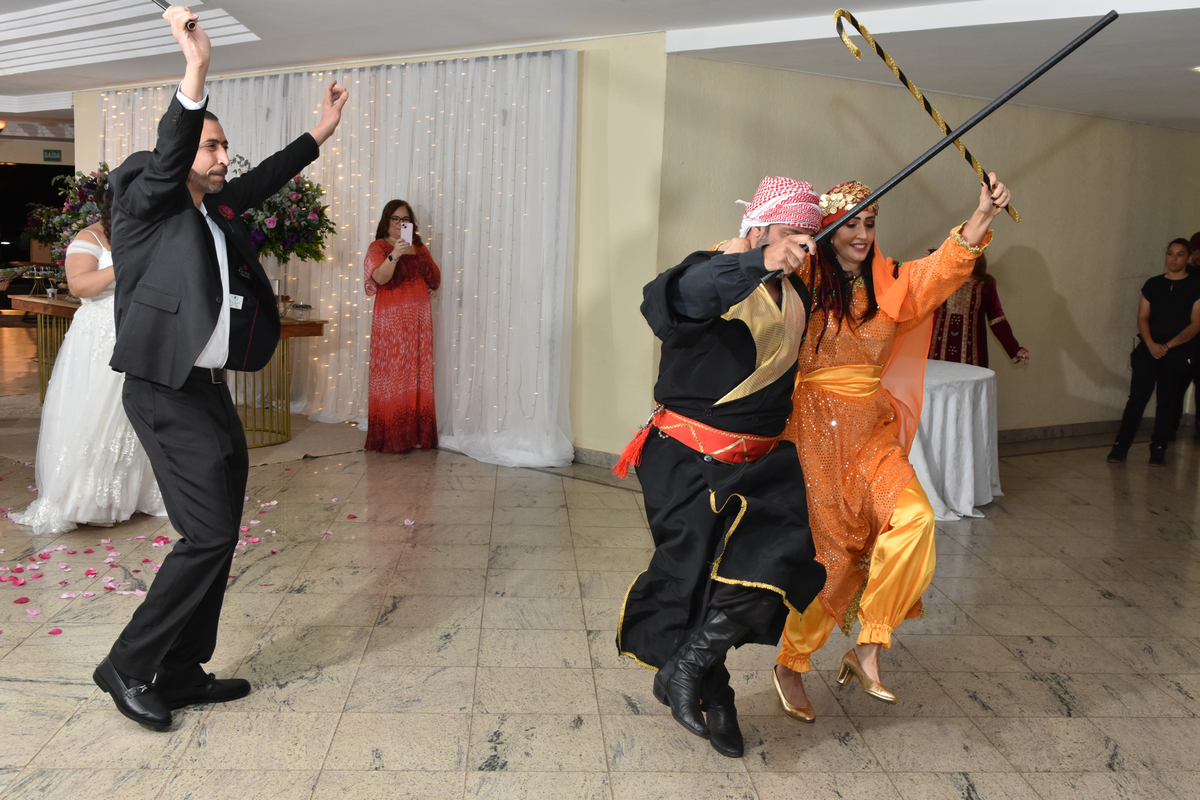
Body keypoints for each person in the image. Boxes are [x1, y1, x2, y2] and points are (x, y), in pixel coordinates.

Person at [94, 5, 347, 730]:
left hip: (208, 391)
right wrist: (195, 71)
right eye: (210, 144)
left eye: (224, 146)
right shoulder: (146, 206)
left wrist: (319, 135)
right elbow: (167, 157)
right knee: (205, 533)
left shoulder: (213, 212)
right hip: (162, 389)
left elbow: (263, 178)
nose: (221, 155)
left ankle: (180, 670)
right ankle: (127, 664)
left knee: (222, 532)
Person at [771, 177, 1011, 720]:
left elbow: (945, 268)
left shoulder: (893, 284)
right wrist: (774, 244)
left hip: (871, 434)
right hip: (813, 432)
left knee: (916, 519)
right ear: (828, 229)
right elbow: (755, 273)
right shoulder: (805, 278)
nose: (862, 234)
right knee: (832, 557)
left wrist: (982, 215)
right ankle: (791, 662)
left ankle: (869, 644)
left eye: (870, 223)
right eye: (850, 224)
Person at [614, 177, 828, 758]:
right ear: (758, 227)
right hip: (688, 460)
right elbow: (678, 298)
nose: (799, 244)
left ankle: (685, 668)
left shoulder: (796, 293)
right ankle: (718, 694)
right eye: (788, 232)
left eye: (807, 236)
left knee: (771, 570)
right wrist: (756, 261)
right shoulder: (713, 268)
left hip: (762, 464)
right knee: (695, 585)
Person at [10, 187, 167, 535]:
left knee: (132, 417)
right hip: (99, 337)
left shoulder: (148, 233)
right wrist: (127, 263)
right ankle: (89, 500)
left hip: (140, 331)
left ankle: (134, 494)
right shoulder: (90, 236)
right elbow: (79, 286)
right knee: (97, 414)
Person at [1107, 238, 1200, 466]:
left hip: (1177, 353)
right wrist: (1150, 344)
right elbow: (1142, 317)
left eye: (1179, 254)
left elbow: (1196, 323)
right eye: (1170, 253)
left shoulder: (1195, 285)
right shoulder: (1153, 284)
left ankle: (1158, 448)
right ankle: (1121, 446)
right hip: (1149, 349)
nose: (1173, 259)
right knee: (1136, 399)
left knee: (1167, 402)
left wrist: (1168, 346)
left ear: (1189, 258)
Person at [363, 199, 441, 452]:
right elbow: (379, 278)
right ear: (386, 220)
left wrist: (424, 274)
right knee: (394, 373)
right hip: (392, 321)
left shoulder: (418, 247)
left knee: (417, 372)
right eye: (395, 218)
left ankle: (416, 435)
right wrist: (395, 254)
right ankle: (394, 436)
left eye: (405, 219)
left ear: (411, 223)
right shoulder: (378, 246)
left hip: (419, 319)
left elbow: (434, 277)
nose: (400, 224)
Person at [927, 254, 1029, 367]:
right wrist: (924, 267)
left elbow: (997, 320)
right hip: (937, 354)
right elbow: (917, 303)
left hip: (972, 357)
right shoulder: (939, 279)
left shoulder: (986, 285)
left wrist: (1015, 349)